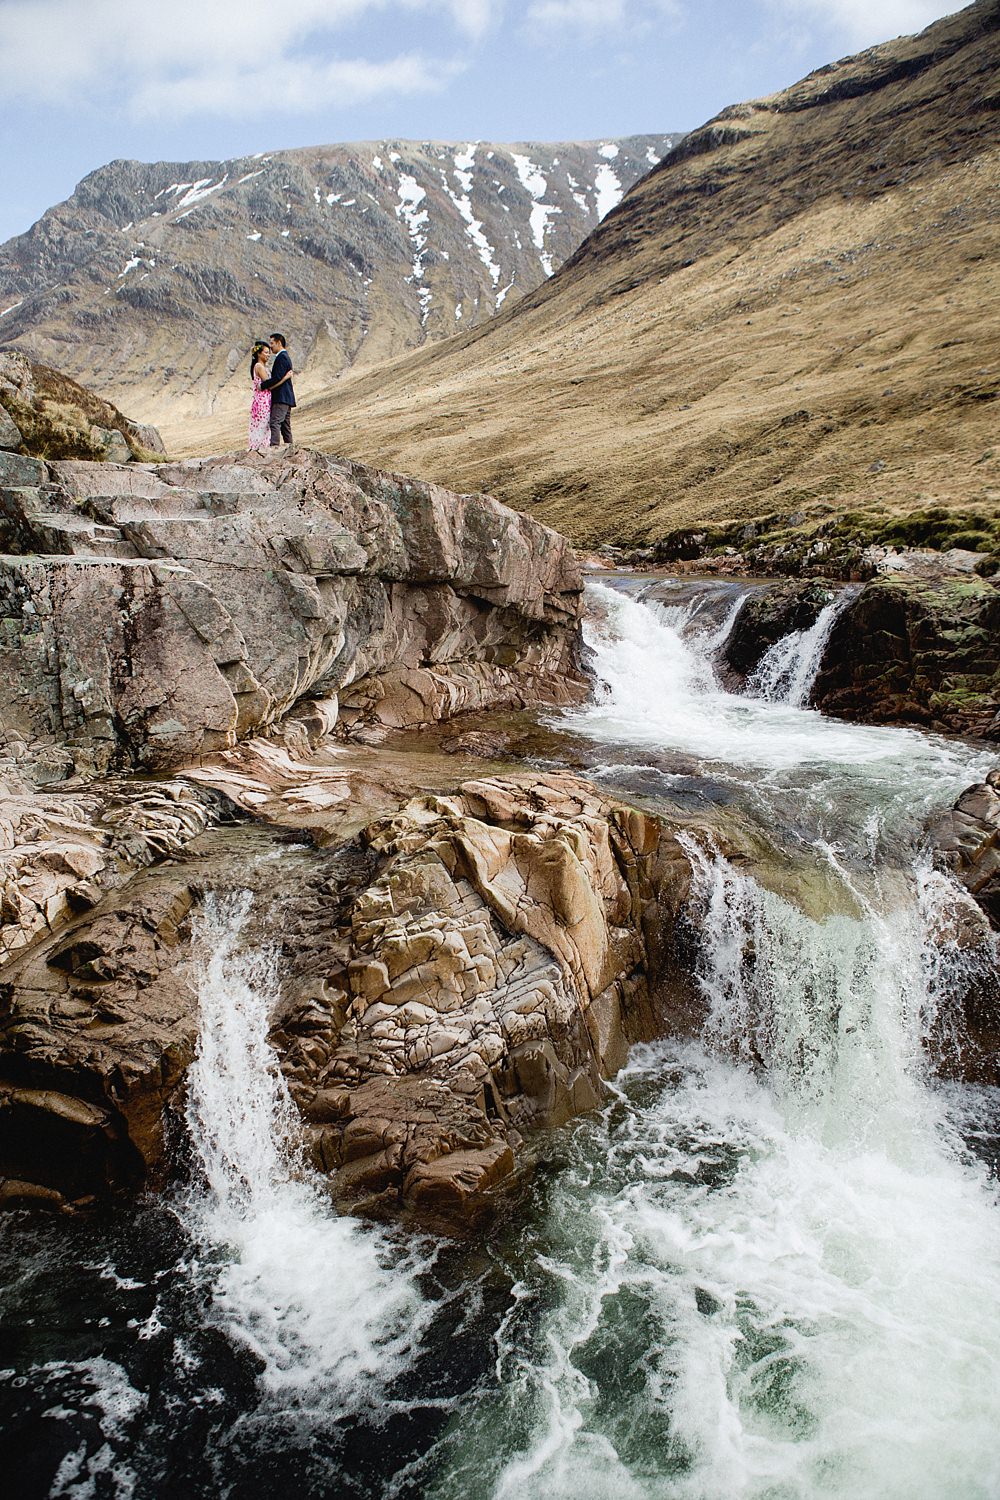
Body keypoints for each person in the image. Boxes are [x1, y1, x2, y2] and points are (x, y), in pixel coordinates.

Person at [261, 333, 295, 446]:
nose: (270, 347)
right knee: (285, 426)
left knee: (275, 422)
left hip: (281, 397)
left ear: (279, 343)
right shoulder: (285, 356)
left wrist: (263, 385)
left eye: (272, 343)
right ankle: (290, 449)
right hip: (286, 398)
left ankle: (274, 449)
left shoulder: (282, 357)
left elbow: (277, 378)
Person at [247, 341, 272, 452]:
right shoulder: (259, 366)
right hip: (263, 401)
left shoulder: (259, 366)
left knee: (261, 427)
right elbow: (268, 383)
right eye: (266, 352)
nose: (268, 355)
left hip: (261, 400)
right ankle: (261, 449)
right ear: (259, 353)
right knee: (263, 426)